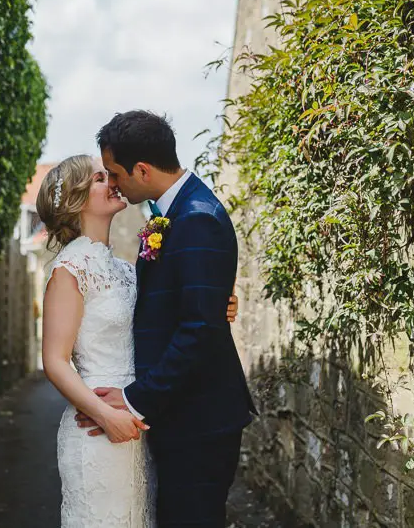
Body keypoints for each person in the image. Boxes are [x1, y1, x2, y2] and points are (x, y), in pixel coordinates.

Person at [37, 150, 241, 528]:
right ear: (76, 201)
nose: (113, 182)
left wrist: (217, 304)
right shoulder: (69, 269)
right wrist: (105, 416)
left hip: (139, 420)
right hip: (98, 425)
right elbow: (53, 360)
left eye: (109, 175)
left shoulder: (126, 268)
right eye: (100, 179)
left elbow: (167, 315)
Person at [85, 110, 258, 528]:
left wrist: (133, 399)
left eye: (114, 173)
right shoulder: (174, 211)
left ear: (141, 169)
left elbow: (198, 328)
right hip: (182, 413)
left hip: (199, 419)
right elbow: (191, 307)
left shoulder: (196, 218)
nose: (113, 184)